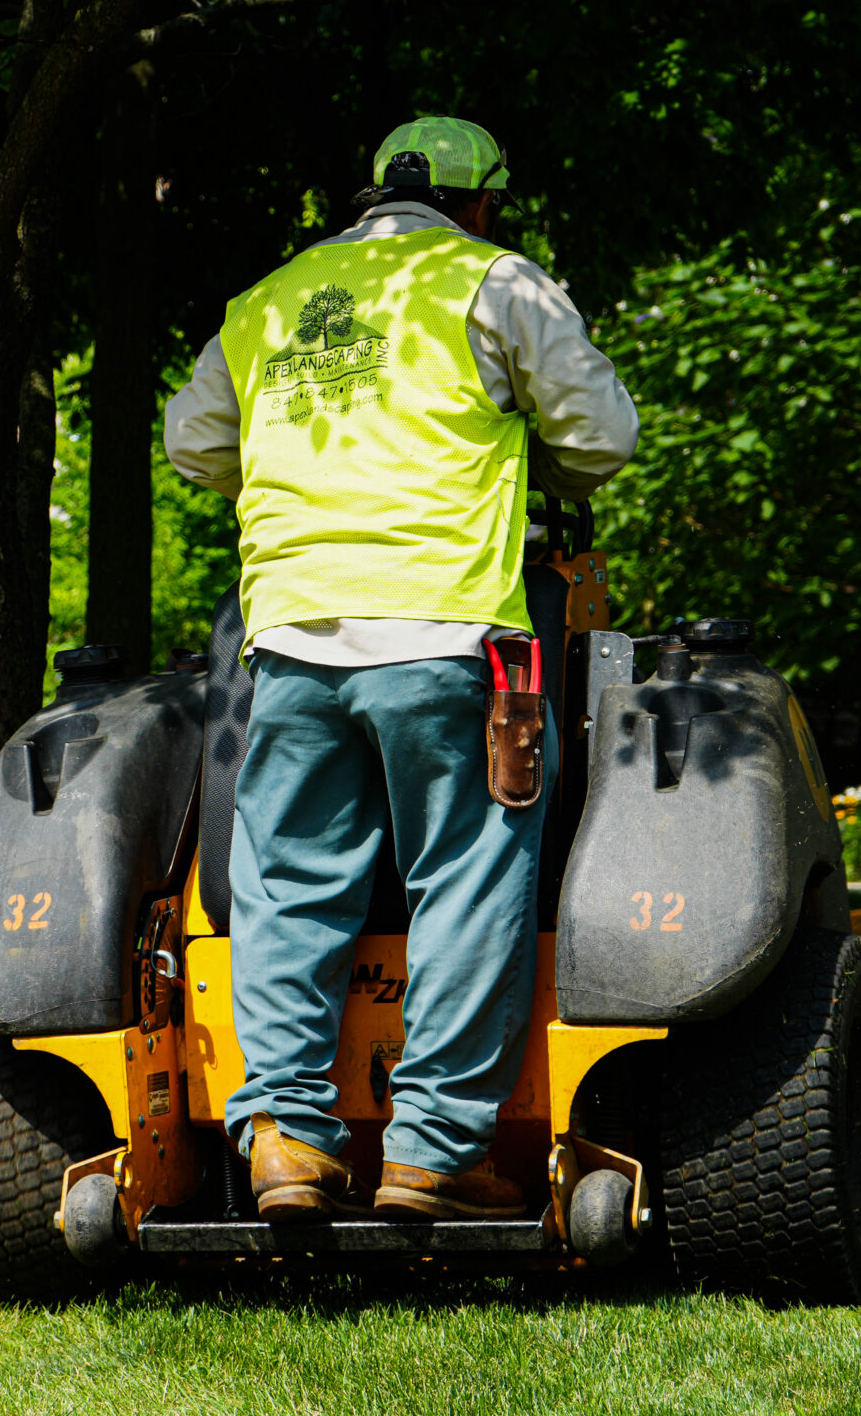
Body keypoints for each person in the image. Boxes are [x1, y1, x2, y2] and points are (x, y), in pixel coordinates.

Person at [163, 117, 640, 1222]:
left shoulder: (268, 299)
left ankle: (286, 1142)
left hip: (292, 637)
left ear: (371, 195)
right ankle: (432, 1153)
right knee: (466, 881)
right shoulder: (496, 282)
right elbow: (601, 437)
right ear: (481, 202)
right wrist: (532, 457)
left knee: (286, 886)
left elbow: (195, 443)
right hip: (446, 631)